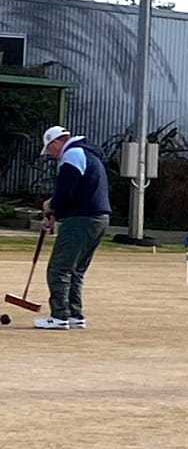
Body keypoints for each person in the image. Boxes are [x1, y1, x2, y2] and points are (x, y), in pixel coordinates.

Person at [34, 126, 111, 329]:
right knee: (75, 269)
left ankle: (59, 316)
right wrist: (54, 214)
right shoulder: (87, 153)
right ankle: (74, 315)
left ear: (56, 142)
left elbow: (65, 191)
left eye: (49, 149)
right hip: (98, 218)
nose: (51, 155)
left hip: (81, 219)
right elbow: (76, 192)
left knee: (59, 268)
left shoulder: (72, 154)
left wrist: (51, 205)